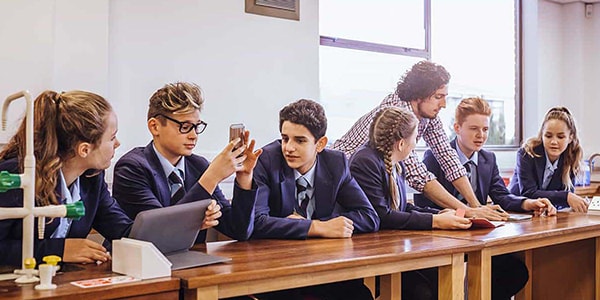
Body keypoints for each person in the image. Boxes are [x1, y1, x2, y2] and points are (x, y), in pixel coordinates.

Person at [350, 106, 530, 300]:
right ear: (402, 143)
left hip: (397, 246)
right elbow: (383, 215)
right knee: (427, 290)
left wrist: (440, 214)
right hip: (376, 250)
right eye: (415, 137)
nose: (415, 144)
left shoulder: (395, 161)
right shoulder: (365, 161)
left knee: (513, 270)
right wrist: (435, 220)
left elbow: (402, 206)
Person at [333, 60, 506, 220]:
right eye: (438, 97)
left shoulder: (428, 115)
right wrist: (467, 212)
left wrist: (476, 207)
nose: (444, 104)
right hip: (339, 184)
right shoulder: (398, 115)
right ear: (419, 95)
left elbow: (448, 157)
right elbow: (419, 176)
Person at [252, 99, 378, 299]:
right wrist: (317, 228)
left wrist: (319, 225)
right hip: (277, 271)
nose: (289, 148)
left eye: (300, 140)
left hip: (325, 265)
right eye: (285, 138)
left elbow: (369, 216)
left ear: (320, 144)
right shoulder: (267, 160)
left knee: (359, 294)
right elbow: (257, 222)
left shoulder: (336, 163)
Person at [113, 82, 262, 242]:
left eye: (196, 127)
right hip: (141, 263)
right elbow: (158, 233)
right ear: (155, 126)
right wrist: (211, 178)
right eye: (185, 126)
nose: (194, 135)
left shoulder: (198, 166)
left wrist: (244, 176)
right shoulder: (131, 168)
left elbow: (238, 230)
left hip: (191, 261)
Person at [0, 90, 130, 266]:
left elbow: (121, 229)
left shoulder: (91, 178)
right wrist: (58, 250)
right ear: (84, 149)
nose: (117, 144)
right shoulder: (18, 175)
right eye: (112, 137)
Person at [415, 97, 557, 217]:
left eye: (485, 129)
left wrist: (528, 203)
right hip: (445, 233)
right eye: (474, 129)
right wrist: (463, 214)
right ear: (457, 128)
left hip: (479, 231)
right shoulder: (434, 156)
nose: (481, 135)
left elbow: (501, 196)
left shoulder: (488, 159)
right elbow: (423, 205)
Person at [508, 106, 588, 212]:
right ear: (542, 135)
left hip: (542, 214)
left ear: (570, 138)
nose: (554, 142)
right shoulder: (527, 153)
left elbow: (566, 196)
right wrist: (566, 197)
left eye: (560, 137)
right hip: (515, 212)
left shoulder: (571, 157)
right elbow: (529, 192)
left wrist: (569, 200)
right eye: (548, 136)